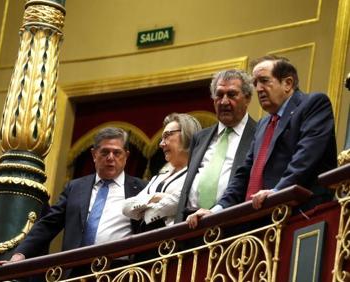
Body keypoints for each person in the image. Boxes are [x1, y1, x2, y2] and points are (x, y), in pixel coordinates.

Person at [187, 55, 337, 229]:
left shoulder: (313, 104)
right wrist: (216, 210)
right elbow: (244, 173)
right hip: (260, 222)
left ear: (287, 83)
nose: (258, 88)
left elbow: (305, 158)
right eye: (255, 82)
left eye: (264, 81)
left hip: (303, 216)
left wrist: (277, 193)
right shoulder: (263, 124)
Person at [0, 127, 146, 276]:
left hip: (120, 271)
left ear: (126, 155)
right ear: (94, 154)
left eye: (117, 153)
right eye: (105, 152)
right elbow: (49, 224)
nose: (110, 158)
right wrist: (20, 255)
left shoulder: (141, 188)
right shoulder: (75, 187)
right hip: (75, 270)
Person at [175, 69, 256, 223]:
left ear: (247, 98)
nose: (224, 101)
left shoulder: (258, 135)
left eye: (231, 95)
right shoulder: (200, 138)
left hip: (232, 225)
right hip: (191, 223)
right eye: (219, 95)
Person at [122, 113, 201, 230]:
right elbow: (126, 207)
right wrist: (156, 196)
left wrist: (146, 210)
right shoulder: (158, 177)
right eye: (162, 138)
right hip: (149, 242)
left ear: (187, 134)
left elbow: (181, 200)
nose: (161, 144)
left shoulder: (199, 171)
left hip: (178, 242)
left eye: (167, 135)